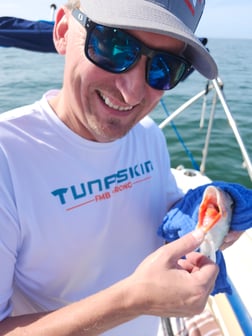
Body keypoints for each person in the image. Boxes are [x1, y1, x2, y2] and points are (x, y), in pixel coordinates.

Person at [0, 0, 241, 335]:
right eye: (114, 47)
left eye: (165, 67)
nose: (132, 91)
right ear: (63, 31)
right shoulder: (6, 157)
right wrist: (131, 301)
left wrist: (205, 221)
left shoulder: (148, 135)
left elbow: (160, 218)